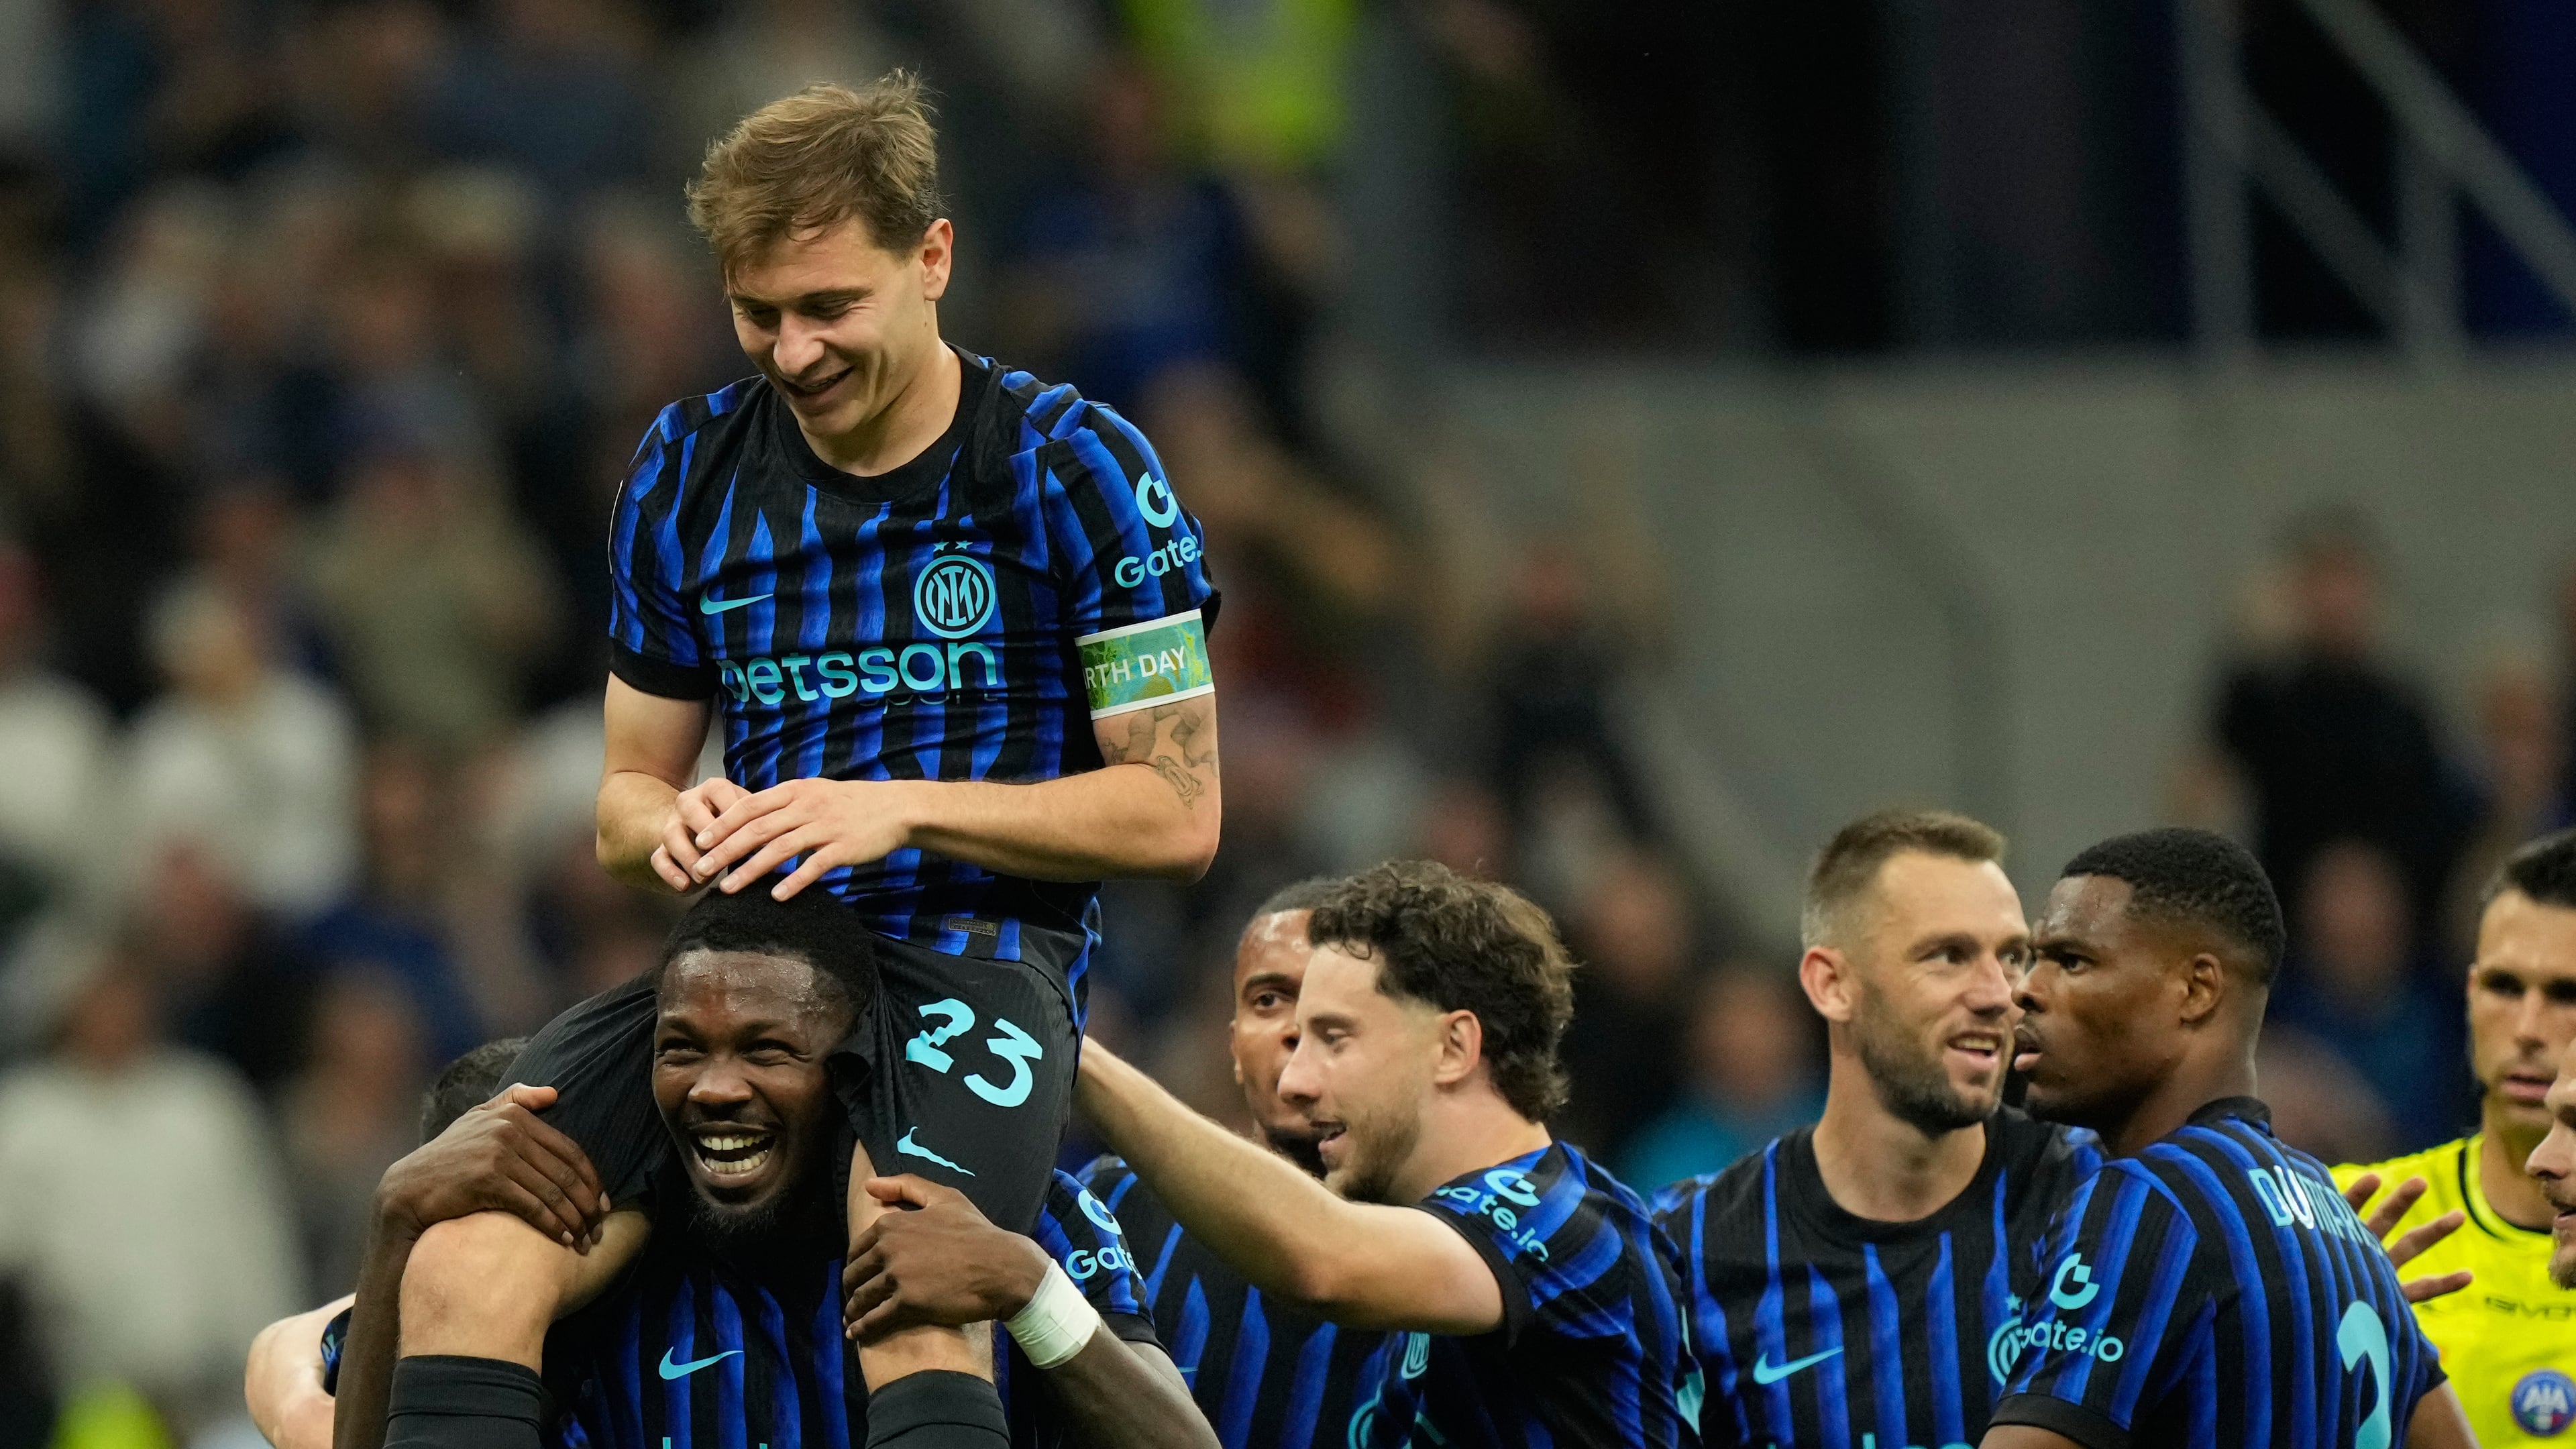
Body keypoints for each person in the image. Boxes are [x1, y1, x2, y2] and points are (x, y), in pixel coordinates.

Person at [397, 70, 1224, 1442]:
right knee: (464, 1257)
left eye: (831, 307)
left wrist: (900, 812)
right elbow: (622, 794)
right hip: (745, 967)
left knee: (910, 1280)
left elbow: (1178, 815)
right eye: (757, 314)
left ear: (934, 258)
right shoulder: (685, 468)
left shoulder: (1077, 468)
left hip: (973, 964)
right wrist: (667, 823)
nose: (790, 353)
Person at [320, 890, 1214, 1449]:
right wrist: (396, 1216)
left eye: (767, 1050)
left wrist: (1028, 1291)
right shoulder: (581, 1250)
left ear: (854, 1068)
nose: (716, 1088)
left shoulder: (1021, 1224)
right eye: (681, 1049)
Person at [1074, 860, 1702, 1448]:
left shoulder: (1567, 1224)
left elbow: (1321, 1260)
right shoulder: (1441, 1275)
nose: (1296, 1081)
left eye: (1334, 1039)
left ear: (1454, 1047)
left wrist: (1075, 1049)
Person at [1986, 828, 2473, 1448]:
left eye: (2072, 960)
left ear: (2196, 991)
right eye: (2034, 958)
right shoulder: (2338, 1218)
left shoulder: (2149, 1203)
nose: (2025, 987)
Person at [1654, 810, 2100, 1448]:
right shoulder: (1687, 1252)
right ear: (1832, 984)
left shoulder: (2105, 1207)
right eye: (1949, 956)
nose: (1999, 994)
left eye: (2012, 956)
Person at [1075, 877, 1391, 1447]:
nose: (1299, 1031)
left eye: (1337, 1007)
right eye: (1269, 1000)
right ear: (1233, 1046)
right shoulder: (1109, 1207)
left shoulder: (1457, 1238)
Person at [2339, 826, 2576, 1446]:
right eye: (2504, 986)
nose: (2527, 1027)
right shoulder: (2352, 1221)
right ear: (2469, 996)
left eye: (2566, 994)